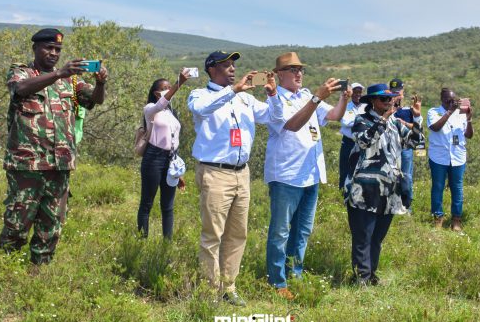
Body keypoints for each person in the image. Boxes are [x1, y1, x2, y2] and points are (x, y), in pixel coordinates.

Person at [0, 28, 108, 265]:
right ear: (35, 48)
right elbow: (20, 89)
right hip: (27, 163)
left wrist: (101, 83)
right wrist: (58, 73)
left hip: (59, 163)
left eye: (57, 49)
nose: (53, 53)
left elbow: (95, 100)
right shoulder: (22, 72)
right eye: (48, 48)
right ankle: (4, 268)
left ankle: (40, 270)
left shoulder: (72, 80)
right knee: (18, 220)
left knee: (52, 222)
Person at [188, 51, 282, 306]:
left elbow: (275, 118)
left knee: (237, 234)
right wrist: (233, 91)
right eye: (226, 65)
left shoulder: (246, 100)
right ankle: (210, 290)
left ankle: (228, 287)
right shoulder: (200, 95)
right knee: (212, 234)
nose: (232, 69)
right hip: (214, 172)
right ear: (211, 69)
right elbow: (202, 109)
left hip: (242, 173)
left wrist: (273, 94)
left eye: (233, 65)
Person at [264, 52, 348, 300]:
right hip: (286, 175)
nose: (298, 73)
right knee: (280, 231)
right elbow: (291, 124)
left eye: (300, 69)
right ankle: (277, 282)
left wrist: (344, 98)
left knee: (302, 231)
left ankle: (294, 275)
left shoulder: (305, 95)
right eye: (292, 70)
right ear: (279, 75)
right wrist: (315, 98)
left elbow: (333, 116)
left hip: (311, 174)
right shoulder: (275, 97)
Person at [344, 83, 423, 285]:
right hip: (364, 190)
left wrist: (416, 118)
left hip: (389, 192)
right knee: (363, 236)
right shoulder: (361, 120)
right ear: (372, 101)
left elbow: (416, 142)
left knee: (377, 238)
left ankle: (371, 275)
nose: (389, 102)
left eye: (390, 99)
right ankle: (361, 277)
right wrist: (383, 120)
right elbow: (364, 142)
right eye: (384, 99)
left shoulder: (395, 123)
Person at [138, 69, 191, 239]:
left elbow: (175, 141)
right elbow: (161, 103)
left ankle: (167, 245)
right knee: (147, 203)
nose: (169, 90)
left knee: (167, 206)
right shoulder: (150, 109)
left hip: (170, 159)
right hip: (153, 158)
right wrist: (179, 82)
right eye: (165, 88)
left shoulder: (172, 112)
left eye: (170, 87)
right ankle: (141, 240)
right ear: (156, 93)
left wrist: (178, 171)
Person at [427, 88, 473, 231]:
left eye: (454, 100)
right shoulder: (433, 112)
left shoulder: (461, 115)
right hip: (438, 157)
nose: (451, 102)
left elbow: (469, 135)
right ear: (442, 99)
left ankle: (456, 220)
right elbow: (435, 127)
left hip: (458, 157)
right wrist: (449, 112)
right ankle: (438, 219)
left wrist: (469, 118)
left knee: (457, 188)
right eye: (448, 100)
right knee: (438, 187)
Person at [389, 78, 423, 210]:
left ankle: (407, 206)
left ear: (402, 92)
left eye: (398, 92)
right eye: (393, 92)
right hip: (390, 147)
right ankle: (392, 205)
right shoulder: (386, 107)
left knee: (406, 177)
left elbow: (417, 128)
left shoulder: (408, 110)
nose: (396, 94)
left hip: (405, 148)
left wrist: (403, 123)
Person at [339, 82, 365, 189]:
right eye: (355, 92)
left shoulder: (366, 107)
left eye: (359, 92)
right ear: (351, 93)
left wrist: (356, 121)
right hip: (348, 142)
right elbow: (345, 122)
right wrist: (360, 121)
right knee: (345, 168)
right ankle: (342, 192)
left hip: (362, 142)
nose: (357, 94)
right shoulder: (346, 106)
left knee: (361, 169)